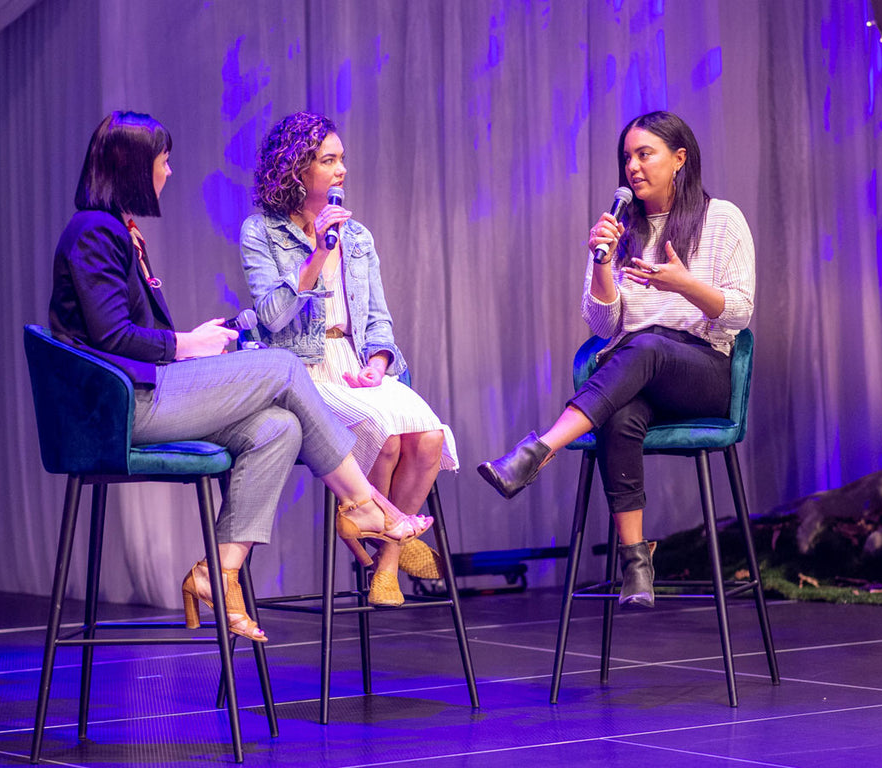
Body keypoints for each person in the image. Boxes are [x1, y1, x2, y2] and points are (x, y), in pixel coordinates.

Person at [48, 111, 432, 642]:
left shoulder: (118, 230)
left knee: (279, 428)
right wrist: (185, 345)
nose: (169, 171)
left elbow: (122, 333)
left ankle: (215, 572)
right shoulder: (94, 231)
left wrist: (191, 344)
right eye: (163, 161)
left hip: (144, 389)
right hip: (115, 408)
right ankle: (365, 502)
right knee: (279, 365)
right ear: (132, 166)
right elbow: (110, 337)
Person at [478, 111, 755, 609]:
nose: (632, 166)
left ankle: (539, 450)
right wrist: (603, 260)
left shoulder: (722, 218)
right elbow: (603, 326)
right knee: (620, 413)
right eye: (627, 157)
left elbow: (738, 313)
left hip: (702, 373)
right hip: (636, 375)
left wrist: (684, 284)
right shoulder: (618, 228)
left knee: (645, 346)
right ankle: (636, 562)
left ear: (679, 159)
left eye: (644, 154)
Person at [240, 111, 459, 607]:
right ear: (297, 170)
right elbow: (272, 316)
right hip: (298, 368)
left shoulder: (357, 237)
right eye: (328, 161)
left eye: (342, 160)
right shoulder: (262, 232)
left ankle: (385, 564)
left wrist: (379, 361)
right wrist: (317, 252)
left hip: (352, 362)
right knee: (380, 436)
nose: (341, 171)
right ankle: (372, 525)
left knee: (427, 438)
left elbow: (379, 317)